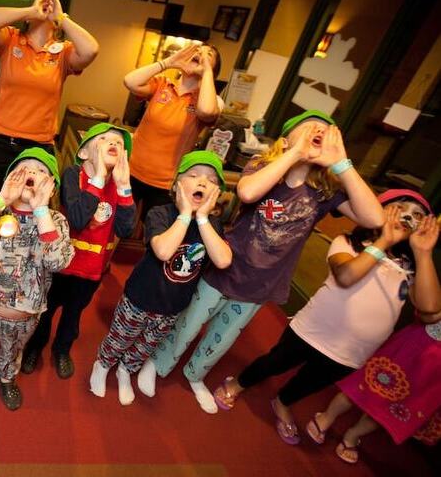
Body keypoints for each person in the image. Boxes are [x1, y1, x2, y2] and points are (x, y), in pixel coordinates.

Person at [143, 110, 384, 415]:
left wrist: (342, 163)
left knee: (222, 338)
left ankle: (195, 375)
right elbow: (246, 192)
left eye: (325, 131)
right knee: (189, 324)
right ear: (285, 139)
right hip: (225, 269)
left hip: (262, 285)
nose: (317, 133)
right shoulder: (263, 166)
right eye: (310, 127)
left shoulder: (324, 191)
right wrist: (294, 153)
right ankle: (159, 363)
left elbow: (374, 219)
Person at [212, 190, 434, 444]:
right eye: (400, 208)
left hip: (354, 351)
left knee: (310, 382)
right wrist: (384, 241)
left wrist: (423, 254)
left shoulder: (409, 267)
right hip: (312, 331)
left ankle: (282, 401)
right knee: (274, 362)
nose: (407, 217)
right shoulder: (348, 243)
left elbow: (430, 310)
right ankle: (239, 382)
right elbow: (346, 276)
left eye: (417, 215)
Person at [89, 151, 231, 405]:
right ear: (176, 186)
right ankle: (103, 364)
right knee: (121, 338)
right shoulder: (161, 213)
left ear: (216, 194)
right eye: (194, 175)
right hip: (139, 298)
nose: (202, 181)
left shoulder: (212, 225)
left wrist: (202, 218)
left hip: (172, 306)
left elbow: (222, 260)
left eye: (211, 180)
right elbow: (164, 251)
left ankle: (126, 370)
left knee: (146, 345)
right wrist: (185, 215)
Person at [307, 213, 439, 463]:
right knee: (366, 386)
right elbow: (430, 310)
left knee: (395, 405)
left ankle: (353, 434)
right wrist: (422, 253)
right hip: (417, 347)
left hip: (435, 370)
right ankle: (327, 417)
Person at [0, 148, 74, 420]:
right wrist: (1, 198)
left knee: (13, 351)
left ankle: (7, 378)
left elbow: (58, 261)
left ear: (52, 186)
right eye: (24, 168)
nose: (31, 172)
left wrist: (41, 210)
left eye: (40, 170)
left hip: (26, 315)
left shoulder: (55, 221)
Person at [22, 123, 136, 379]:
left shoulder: (120, 186)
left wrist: (124, 186)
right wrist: (98, 179)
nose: (113, 144)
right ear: (84, 153)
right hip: (61, 267)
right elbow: (77, 218)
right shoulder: (74, 175)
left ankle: (62, 349)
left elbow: (126, 229)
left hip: (92, 271)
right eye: (104, 139)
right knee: (45, 310)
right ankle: (35, 347)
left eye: (119, 143)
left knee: (73, 315)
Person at [0, 0, 99, 204]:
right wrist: (31, 11)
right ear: (28, 19)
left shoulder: (63, 52)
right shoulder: (10, 39)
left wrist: (62, 18)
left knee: (29, 206)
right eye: (42, 6)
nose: (47, 7)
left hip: (36, 148)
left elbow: (91, 50)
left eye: (52, 9)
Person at [123, 43, 223, 220]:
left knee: (155, 231)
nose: (200, 54)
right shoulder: (162, 84)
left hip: (165, 183)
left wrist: (207, 72)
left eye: (209, 54)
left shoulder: (212, 101)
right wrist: (168, 62)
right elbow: (130, 81)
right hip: (129, 171)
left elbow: (207, 111)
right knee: (118, 225)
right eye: (197, 51)